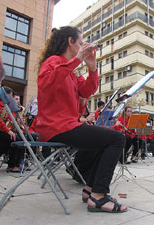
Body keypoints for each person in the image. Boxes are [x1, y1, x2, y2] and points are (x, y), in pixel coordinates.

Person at [36, 26, 127, 213]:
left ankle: (90, 190)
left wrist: (92, 68)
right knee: (117, 139)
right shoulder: (53, 62)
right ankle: (99, 196)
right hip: (56, 127)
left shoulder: (71, 71)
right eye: (79, 43)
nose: (81, 46)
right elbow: (49, 81)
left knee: (104, 140)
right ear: (70, 42)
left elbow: (86, 91)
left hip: (68, 125)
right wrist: (77, 60)